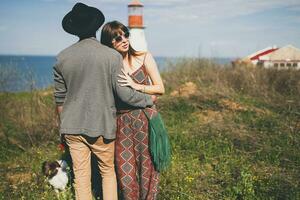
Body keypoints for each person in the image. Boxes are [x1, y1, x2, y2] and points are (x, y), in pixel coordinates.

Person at [54, 4, 154, 200]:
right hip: (101, 126)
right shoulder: (110, 56)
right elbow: (124, 94)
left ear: (74, 29)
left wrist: (61, 130)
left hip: (71, 127)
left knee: (81, 177)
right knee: (107, 173)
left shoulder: (62, 58)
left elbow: (60, 100)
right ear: (96, 27)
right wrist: (148, 99)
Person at [101, 21, 165, 200]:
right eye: (117, 37)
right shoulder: (111, 67)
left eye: (125, 34)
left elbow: (160, 88)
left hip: (146, 121)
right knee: (125, 174)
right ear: (109, 43)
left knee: (148, 171)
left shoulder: (144, 57)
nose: (123, 39)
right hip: (121, 124)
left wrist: (136, 85)